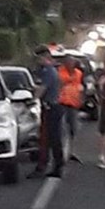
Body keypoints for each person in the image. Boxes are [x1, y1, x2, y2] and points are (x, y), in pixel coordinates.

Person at [28, 45, 65, 179]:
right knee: (48, 139)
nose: (36, 61)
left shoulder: (48, 72)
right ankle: (49, 165)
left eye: (38, 58)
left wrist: (32, 99)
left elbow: (42, 89)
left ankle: (55, 166)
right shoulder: (49, 71)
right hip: (51, 107)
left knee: (51, 139)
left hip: (51, 108)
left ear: (44, 57)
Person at [58, 56, 84, 164]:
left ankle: (71, 151)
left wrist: (81, 99)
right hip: (62, 103)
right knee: (62, 128)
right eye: (69, 63)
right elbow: (62, 82)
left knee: (73, 128)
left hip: (73, 104)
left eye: (73, 63)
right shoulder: (60, 72)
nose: (71, 65)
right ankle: (61, 152)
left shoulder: (78, 73)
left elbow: (80, 87)